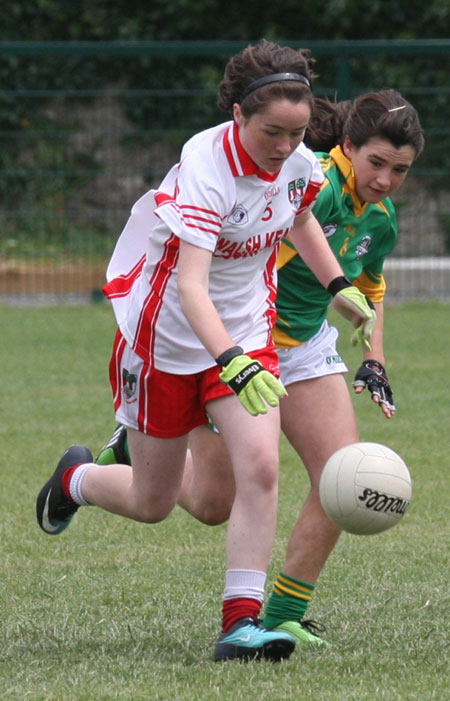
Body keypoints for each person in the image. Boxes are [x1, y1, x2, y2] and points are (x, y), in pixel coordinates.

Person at [35, 39, 375, 663]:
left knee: (260, 468)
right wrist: (232, 362)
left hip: (243, 331)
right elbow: (190, 284)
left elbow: (298, 217)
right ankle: (77, 478)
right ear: (238, 116)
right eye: (271, 132)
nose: (284, 146)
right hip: (164, 340)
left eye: (297, 133)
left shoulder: (297, 162)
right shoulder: (206, 165)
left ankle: (240, 624)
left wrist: (339, 287)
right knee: (154, 503)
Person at [95, 88, 424, 649]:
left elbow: (370, 290)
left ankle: (279, 613)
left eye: (401, 170)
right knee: (208, 504)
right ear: (347, 147)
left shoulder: (380, 217)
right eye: (377, 164)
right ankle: (137, 444)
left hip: (306, 347)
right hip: (233, 343)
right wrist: (229, 353)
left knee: (338, 474)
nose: (386, 180)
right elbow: (244, 254)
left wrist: (374, 357)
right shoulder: (296, 176)